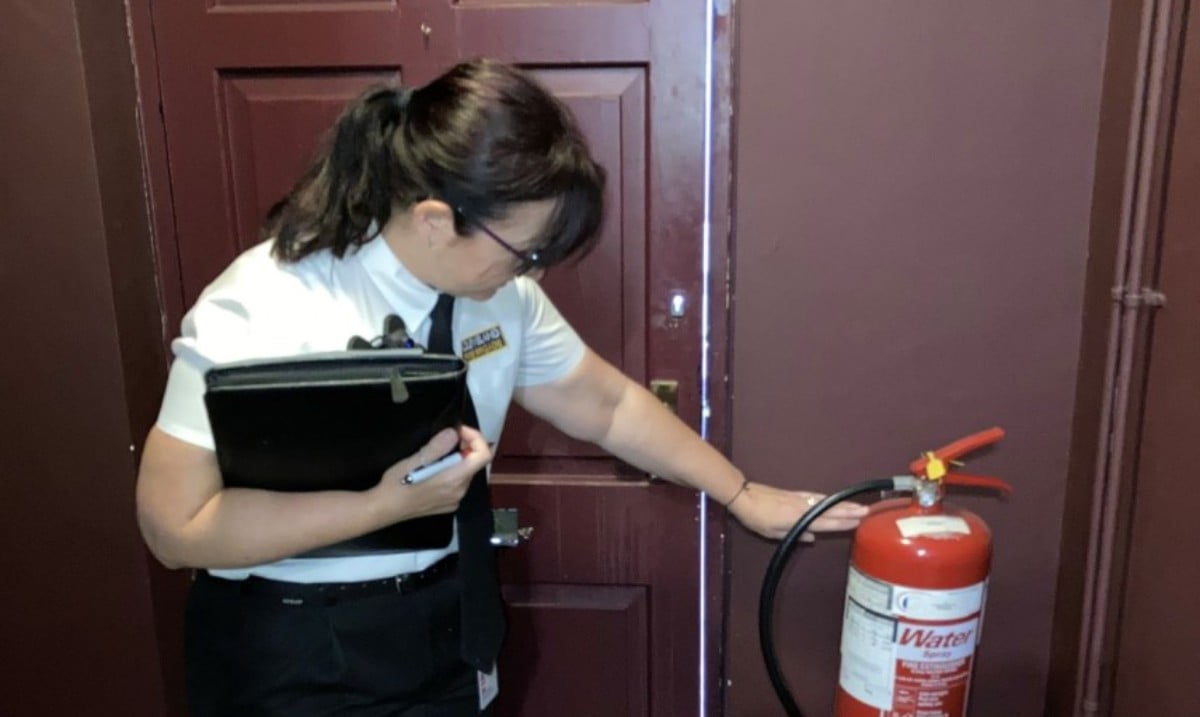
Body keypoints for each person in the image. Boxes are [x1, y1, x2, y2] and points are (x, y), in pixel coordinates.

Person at [136, 58, 868, 717]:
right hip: (288, 646)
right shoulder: (263, 304)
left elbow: (607, 406)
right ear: (434, 220)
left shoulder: (500, 299)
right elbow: (174, 526)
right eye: (528, 249)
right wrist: (381, 507)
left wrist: (741, 492)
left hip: (443, 628)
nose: (536, 273)